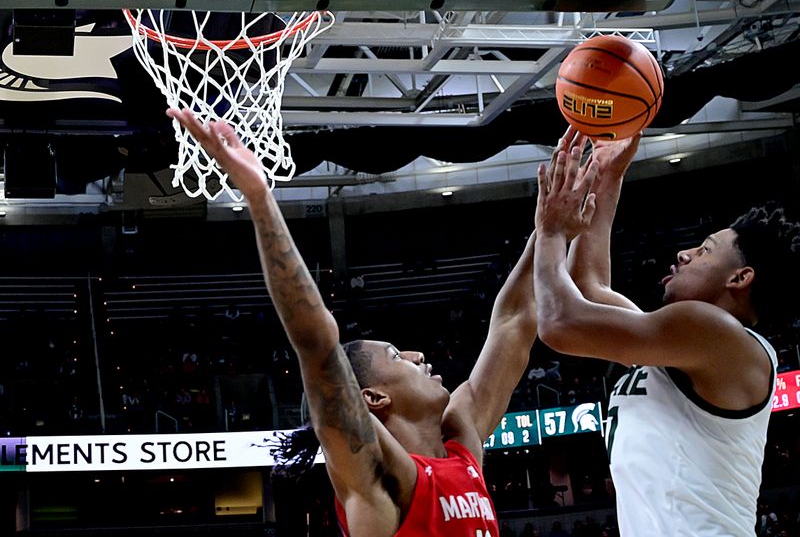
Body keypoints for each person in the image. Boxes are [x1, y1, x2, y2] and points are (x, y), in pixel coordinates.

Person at [168, 107, 541, 537]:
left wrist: (550, 228)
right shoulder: (377, 476)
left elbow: (513, 321)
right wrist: (260, 199)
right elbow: (316, 344)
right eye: (397, 355)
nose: (418, 355)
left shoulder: (463, 446)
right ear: (373, 397)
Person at [533, 127, 800, 536]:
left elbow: (559, 322)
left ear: (740, 277)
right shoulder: (680, 340)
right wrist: (608, 175)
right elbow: (589, 289)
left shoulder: (719, 335)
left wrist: (551, 231)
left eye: (705, 250)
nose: (685, 253)